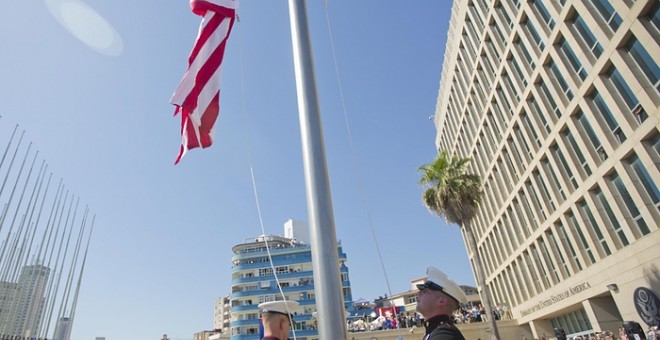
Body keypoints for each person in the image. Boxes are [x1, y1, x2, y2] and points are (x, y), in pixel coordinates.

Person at [416, 266, 467, 340]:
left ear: (441, 301)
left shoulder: (444, 334)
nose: (419, 293)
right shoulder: (437, 330)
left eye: (425, 291)